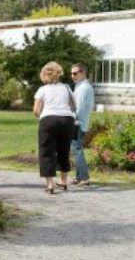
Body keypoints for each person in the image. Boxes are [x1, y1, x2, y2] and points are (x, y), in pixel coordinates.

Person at [33, 61, 75, 194]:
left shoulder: (43, 90)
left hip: (49, 120)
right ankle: (63, 181)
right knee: (64, 150)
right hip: (66, 120)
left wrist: (42, 116)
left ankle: (50, 184)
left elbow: (36, 110)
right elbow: (73, 106)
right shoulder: (67, 88)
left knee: (46, 151)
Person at [70, 63, 94, 187]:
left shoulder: (83, 88)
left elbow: (78, 108)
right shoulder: (80, 86)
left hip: (78, 122)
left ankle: (84, 178)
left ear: (83, 73)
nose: (72, 76)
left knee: (77, 149)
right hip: (79, 122)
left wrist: (71, 119)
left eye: (75, 73)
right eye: (71, 73)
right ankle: (79, 177)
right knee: (76, 149)